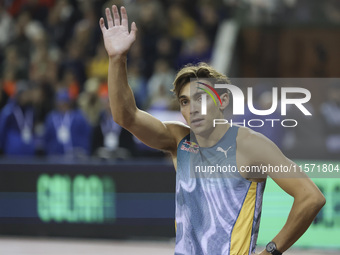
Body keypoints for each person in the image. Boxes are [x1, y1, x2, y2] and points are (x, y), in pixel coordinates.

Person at [99, 5, 325, 255]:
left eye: (201, 98)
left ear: (223, 101)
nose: (192, 108)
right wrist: (116, 59)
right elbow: (125, 115)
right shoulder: (178, 141)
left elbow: (310, 197)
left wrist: (270, 252)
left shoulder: (250, 145)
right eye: (185, 101)